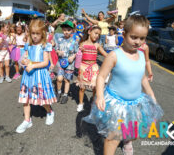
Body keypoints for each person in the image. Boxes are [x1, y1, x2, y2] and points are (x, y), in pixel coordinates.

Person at [83, 15, 163, 155]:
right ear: (124, 34)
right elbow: (101, 77)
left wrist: (151, 94)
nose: (138, 42)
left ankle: (127, 141)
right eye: (134, 37)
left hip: (136, 103)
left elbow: (142, 78)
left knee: (133, 132)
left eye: (142, 38)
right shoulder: (115, 55)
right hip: (117, 104)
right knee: (113, 138)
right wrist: (100, 96)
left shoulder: (141, 54)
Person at [16, 19, 57, 133]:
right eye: (33, 33)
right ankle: (27, 120)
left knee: (42, 99)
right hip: (28, 75)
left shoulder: (45, 45)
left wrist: (32, 65)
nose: (34, 36)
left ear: (42, 33)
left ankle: (49, 112)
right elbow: (24, 57)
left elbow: (45, 62)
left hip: (40, 75)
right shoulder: (28, 44)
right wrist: (24, 61)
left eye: (37, 33)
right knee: (26, 98)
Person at [77, 25, 108, 112]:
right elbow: (78, 55)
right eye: (95, 33)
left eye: (99, 34)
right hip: (83, 67)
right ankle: (80, 103)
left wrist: (115, 57)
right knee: (82, 87)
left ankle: (93, 103)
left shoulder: (97, 45)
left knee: (95, 87)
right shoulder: (82, 43)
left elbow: (106, 55)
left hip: (94, 68)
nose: (97, 36)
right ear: (89, 32)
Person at [55, 20, 79, 104]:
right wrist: (58, 52)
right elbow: (56, 49)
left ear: (72, 30)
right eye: (65, 30)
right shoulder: (59, 39)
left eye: (68, 30)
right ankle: (58, 92)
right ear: (62, 30)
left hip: (70, 64)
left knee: (67, 80)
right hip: (61, 62)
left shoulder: (74, 41)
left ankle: (65, 95)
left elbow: (77, 51)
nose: (66, 32)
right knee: (59, 78)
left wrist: (73, 56)